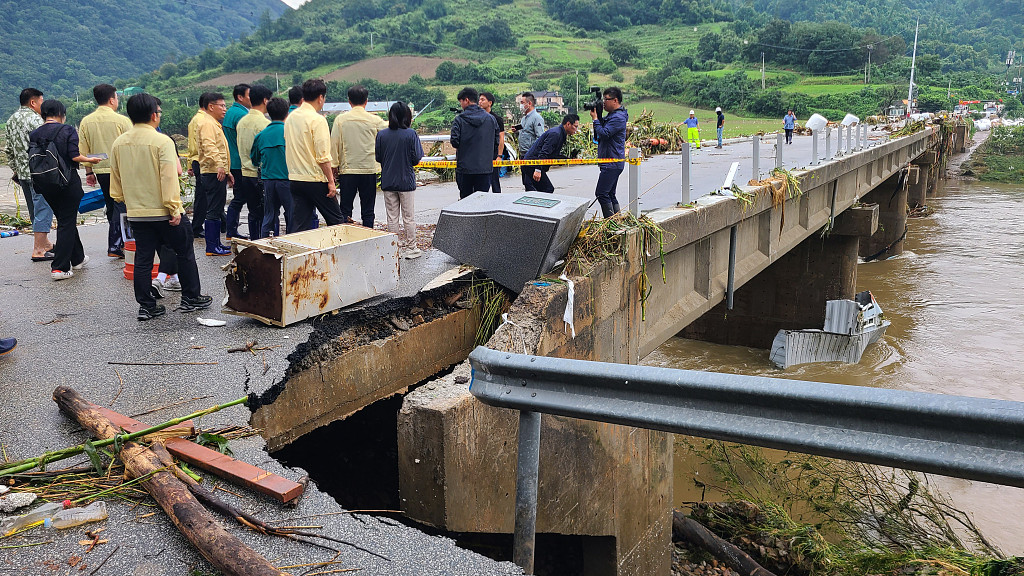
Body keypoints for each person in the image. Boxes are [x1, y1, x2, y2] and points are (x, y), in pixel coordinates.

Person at [110, 93, 212, 321]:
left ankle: (147, 305)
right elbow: (169, 177)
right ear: (154, 115)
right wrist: (174, 208)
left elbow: (115, 180)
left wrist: (123, 200)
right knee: (184, 253)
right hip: (164, 212)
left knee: (144, 259)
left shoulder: (119, 142)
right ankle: (191, 298)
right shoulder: (162, 141)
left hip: (137, 212)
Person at [29, 100, 104, 280]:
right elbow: (74, 156)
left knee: (65, 219)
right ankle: (60, 268)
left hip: (45, 184)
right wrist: (91, 160)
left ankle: (77, 258)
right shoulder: (67, 129)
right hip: (66, 182)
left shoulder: (35, 133)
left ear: (43, 114)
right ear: (61, 113)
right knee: (66, 222)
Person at [79, 84, 133, 258]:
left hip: (100, 169)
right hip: (121, 169)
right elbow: (132, 146)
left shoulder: (86, 121)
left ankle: (120, 242)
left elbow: (84, 149)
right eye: (116, 97)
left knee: (111, 205)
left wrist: (89, 172)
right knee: (121, 205)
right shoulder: (122, 121)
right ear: (112, 99)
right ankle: (116, 244)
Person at [285, 78, 343, 233]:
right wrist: (331, 181)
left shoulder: (290, 118)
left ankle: (299, 255)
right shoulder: (317, 120)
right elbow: (323, 156)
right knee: (336, 220)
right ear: (320, 97)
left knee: (300, 225)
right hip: (315, 179)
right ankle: (339, 254)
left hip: (296, 178)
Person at [4, 88, 54, 262]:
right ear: (33, 102)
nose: (43, 105)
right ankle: (39, 250)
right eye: (42, 101)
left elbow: (8, 150)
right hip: (39, 173)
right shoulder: (36, 120)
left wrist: (17, 170)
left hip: (24, 174)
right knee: (43, 209)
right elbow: (47, 147)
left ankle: (45, 243)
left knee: (35, 211)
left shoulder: (11, 120)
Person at [332, 84, 387, 228]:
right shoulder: (374, 120)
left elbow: (334, 144)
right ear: (366, 101)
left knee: (345, 208)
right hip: (368, 169)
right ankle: (368, 236)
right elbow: (388, 130)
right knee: (368, 209)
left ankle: (344, 237)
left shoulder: (340, 120)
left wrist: (334, 166)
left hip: (348, 170)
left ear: (349, 101)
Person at [376, 101, 424, 259]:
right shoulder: (411, 134)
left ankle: (393, 248)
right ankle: (412, 248)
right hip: (406, 181)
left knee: (392, 216)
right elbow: (416, 158)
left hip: (388, 180)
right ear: (407, 117)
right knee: (408, 217)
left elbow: (378, 157)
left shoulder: (382, 135)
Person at [196, 92, 233, 256]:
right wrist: (219, 165)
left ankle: (216, 243)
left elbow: (221, 150)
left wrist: (227, 170)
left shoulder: (213, 123)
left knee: (217, 209)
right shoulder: (207, 124)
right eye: (222, 105)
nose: (225, 109)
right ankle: (211, 246)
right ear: (211, 106)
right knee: (213, 209)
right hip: (212, 172)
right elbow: (210, 146)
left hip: (217, 171)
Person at [235, 85, 272, 240]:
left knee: (252, 212)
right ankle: (263, 243)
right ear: (265, 100)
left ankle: (253, 241)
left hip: (245, 174)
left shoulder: (241, 122)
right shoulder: (264, 124)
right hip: (260, 176)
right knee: (266, 213)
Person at [252, 97, 291, 237]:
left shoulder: (261, 136)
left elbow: (254, 159)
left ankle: (264, 245)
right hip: (287, 180)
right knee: (291, 214)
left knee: (269, 215)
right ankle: (291, 245)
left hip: (268, 181)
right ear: (287, 113)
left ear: (268, 112)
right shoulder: (289, 133)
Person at [451, 87, 498, 199]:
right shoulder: (491, 119)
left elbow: (454, 141)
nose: (461, 105)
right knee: (482, 200)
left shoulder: (459, 119)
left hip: (465, 168)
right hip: (485, 168)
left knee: (466, 201)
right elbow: (496, 141)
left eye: (461, 102)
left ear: (466, 100)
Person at [591, 87, 628, 218]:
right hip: (611, 160)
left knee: (601, 193)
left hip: (612, 161)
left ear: (615, 100)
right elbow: (599, 135)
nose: (604, 103)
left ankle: (610, 221)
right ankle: (617, 219)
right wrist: (599, 116)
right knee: (610, 193)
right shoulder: (613, 115)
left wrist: (596, 120)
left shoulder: (618, 117)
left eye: (606, 99)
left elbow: (604, 134)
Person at [222, 84, 252, 239]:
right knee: (242, 196)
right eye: (249, 95)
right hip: (240, 162)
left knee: (239, 196)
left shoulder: (231, 112)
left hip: (232, 161)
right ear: (240, 97)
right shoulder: (241, 115)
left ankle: (231, 228)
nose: (251, 98)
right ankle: (231, 229)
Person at [523, 114, 580, 193]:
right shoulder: (556, 134)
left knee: (534, 191)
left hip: (532, 163)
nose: (576, 130)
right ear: (568, 124)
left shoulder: (560, 133)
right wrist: (538, 170)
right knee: (547, 189)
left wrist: (568, 160)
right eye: (575, 126)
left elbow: (553, 154)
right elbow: (544, 152)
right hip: (532, 164)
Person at [185, 94, 211, 238]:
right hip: (202, 161)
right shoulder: (203, 120)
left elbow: (191, 145)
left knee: (206, 194)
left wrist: (190, 163)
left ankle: (223, 221)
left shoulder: (195, 119)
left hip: (197, 160)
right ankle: (196, 227)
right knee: (203, 196)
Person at [515, 92, 545, 190]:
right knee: (526, 183)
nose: (521, 105)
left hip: (531, 156)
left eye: (522, 102)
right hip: (523, 155)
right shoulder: (524, 118)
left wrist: (538, 166)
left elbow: (540, 139)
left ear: (529, 104)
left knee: (531, 183)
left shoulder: (536, 118)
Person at [478, 91, 505, 194]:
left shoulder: (497, 119)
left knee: (494, 180)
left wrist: (499, 155)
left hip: (493, 153)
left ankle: (497, 201)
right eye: (479, 99)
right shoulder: (478, 118)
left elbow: (501, 138)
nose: (480, 102)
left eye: (482, 100)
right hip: (480, 154)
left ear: (490, 103)